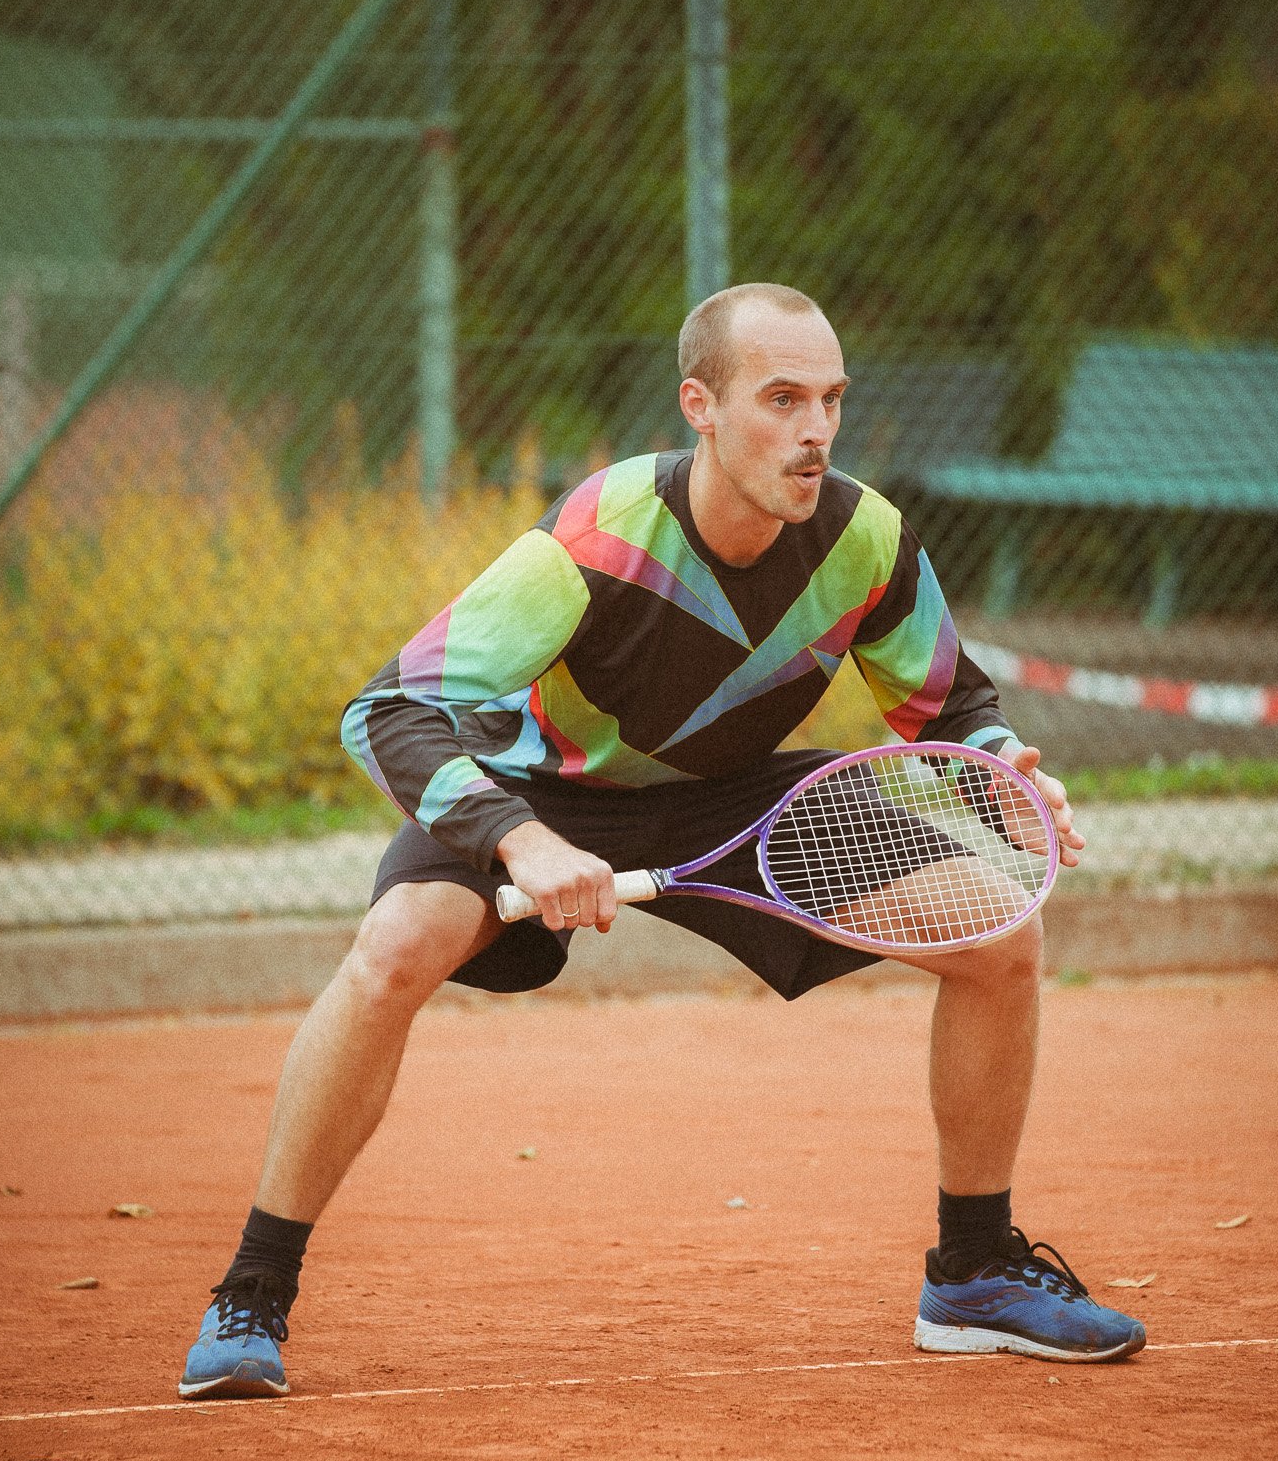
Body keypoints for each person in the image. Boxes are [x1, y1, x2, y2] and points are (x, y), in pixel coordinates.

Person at [179, 284, 1145, 1398]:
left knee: (999, 934)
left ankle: (972, 1274)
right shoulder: (597, 540)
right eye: (781, 399)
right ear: (701, 405)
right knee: (395, 948)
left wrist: (1003, 770)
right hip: (544, 788)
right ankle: (252, 1291)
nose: (815, 430)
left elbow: (948, 705)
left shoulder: (865, 537)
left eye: (830, 399)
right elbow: (386, 709)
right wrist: (519, 841)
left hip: (737, 799)